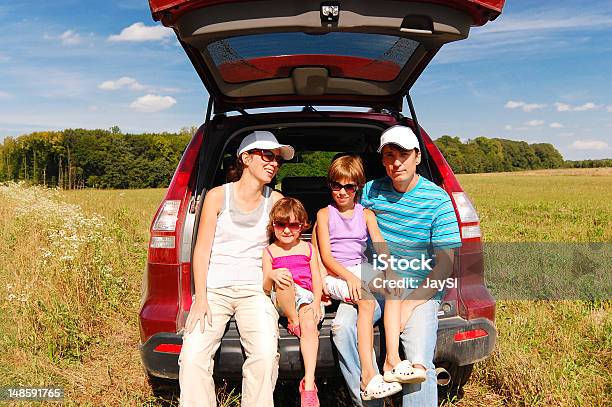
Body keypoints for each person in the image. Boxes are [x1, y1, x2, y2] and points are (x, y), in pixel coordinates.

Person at [330, 125, 461, 406]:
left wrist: (409, 304)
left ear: (416, 156)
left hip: (420, 289)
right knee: (342, 329)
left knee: (416, 363)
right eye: (389, 155)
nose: (396, 162)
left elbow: (445, 264)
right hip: (374, 279)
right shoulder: (370, 191)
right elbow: (343, 218)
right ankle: (371, 394)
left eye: (403, 154)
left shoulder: (438, 200)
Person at [178, 130, 294, 407]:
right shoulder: (218, 196)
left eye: (277, 159)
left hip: (256, 291)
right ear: (245, 158)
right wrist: (201, 298)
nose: (274, 163)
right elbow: (202, 249)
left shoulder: (275, 200)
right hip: (214, 290)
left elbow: (288, 248)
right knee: (193, 356)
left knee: (265, 355)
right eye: (267, 156)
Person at [316, 155, 408, 401]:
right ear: (330, 186)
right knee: (366, 301)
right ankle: (368, 375)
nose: (342, 192)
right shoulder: (325, 215)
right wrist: (350, 279)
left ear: (358, 187)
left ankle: (392, 360)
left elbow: (379, 243)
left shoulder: (366, 214)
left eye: (349, 187)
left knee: (395, 286)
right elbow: (326, 257)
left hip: (361, 268)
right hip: (336, 273)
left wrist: (388, 268)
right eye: (337, 186)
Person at [263, 197, 324, 407]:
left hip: (306, 299)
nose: (287, 230)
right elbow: (264, 286)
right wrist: (273, 274)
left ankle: (309, 384)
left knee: (309, 326)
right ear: (273, 225)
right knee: (285, 277)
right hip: (282, 299)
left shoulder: (308, 249)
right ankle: (292, 320)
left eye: (293, 225)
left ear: (303, 226)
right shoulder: (270, 251)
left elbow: (317, 278)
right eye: (281, 225)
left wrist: (317, 302)